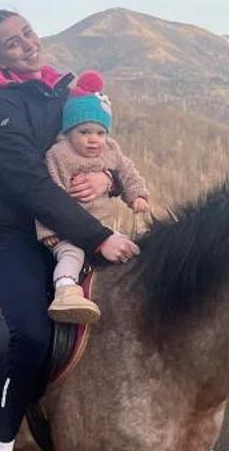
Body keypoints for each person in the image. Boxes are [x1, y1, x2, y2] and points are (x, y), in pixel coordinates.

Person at [0, 10, 140, 451]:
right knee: (32, 334)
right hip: (16, 235)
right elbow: (32, 187)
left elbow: (94, 145)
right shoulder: (1, 107)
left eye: (27, 33)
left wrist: (109, 182)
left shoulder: (58, 91)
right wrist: (100, 236)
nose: (26, 44)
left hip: (72, 228)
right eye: (11, 43)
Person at [35, 71, 152, 326]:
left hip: (102, 227)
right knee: (72, 254)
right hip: (66, 228)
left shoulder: (111, 150)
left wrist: (137, 195)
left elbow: (128, 172)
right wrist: (48, 232)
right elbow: (48, 194)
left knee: (129, 250)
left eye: (100, 132)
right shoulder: (59, 155)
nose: (93, 139)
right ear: (69, 132)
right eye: (85, 131)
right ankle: (65, 290)